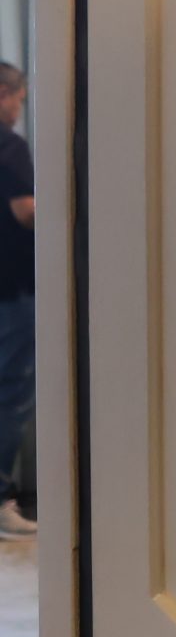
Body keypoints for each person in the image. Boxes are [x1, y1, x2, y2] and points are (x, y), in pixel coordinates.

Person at [0, 64, 33, 538]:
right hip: (14, 289)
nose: (18, 110)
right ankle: (2, 498)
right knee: (12, 391)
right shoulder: (10, 145)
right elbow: (26, 212)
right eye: (19, 101)